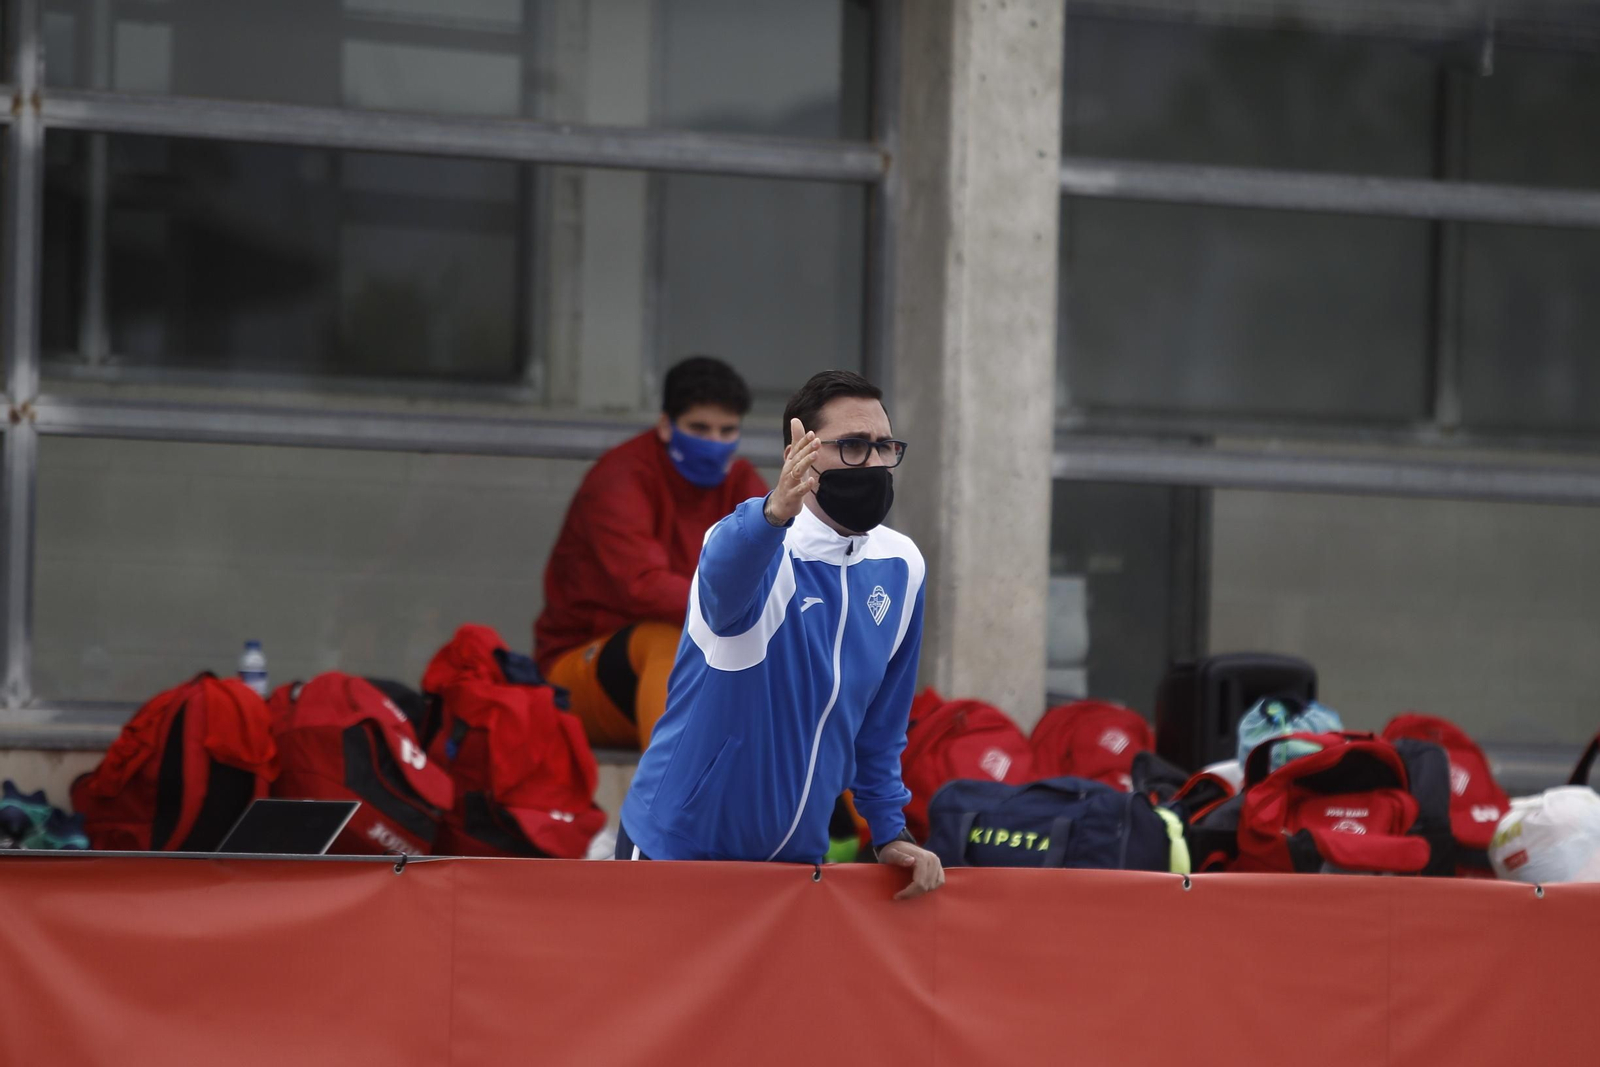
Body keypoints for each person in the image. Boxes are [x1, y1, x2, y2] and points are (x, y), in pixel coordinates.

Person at [617, 370, 945, 900]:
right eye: (853, 446)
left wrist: (889, 832)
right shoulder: (754, 546)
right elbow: (725, 586)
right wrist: (773, 513)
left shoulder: (902, 563)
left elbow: (881, 728)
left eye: (884, 446)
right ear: (801, 453)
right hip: (678, 850)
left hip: (793, 865)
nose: (873, 463)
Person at [536, 356, 768, 749]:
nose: (714, 443)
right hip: (581, 670)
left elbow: (782, 571)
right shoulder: (620, 477)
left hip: (698, 659)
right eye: (699, 428)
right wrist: (743, 606)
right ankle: (670, 788)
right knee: (665, 641)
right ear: (665, 425)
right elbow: (642, 587)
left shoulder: (741, 480)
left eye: (727, 430)